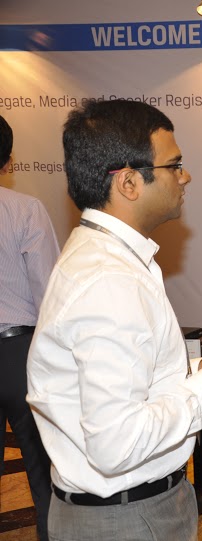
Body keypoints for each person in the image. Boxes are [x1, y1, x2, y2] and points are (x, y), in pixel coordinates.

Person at [26, 99, 202, 541]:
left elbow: (133, 383)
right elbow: (117, 444)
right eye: (174, 165)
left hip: (135, 507)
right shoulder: (108, 281)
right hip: (125, 519)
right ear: (130, 182)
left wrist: (201, 368)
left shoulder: (109, 257)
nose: (185, 176)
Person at [0, 114, 58, 541]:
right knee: (41, 468)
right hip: (19, 353)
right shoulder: (25, 209)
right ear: (8, 161)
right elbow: (48, 290)